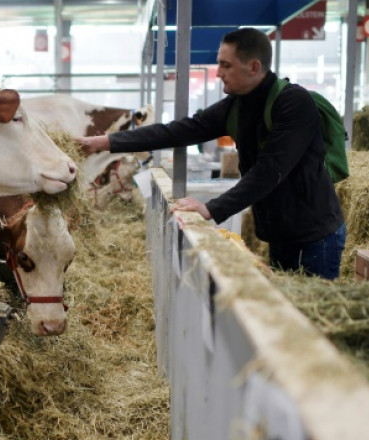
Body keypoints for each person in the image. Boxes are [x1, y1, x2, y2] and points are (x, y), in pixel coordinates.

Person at [78, 28, 346, 280]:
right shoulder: (237, 106)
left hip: (315, 236)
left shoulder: (294, 104)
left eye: (226, 65)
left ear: (253, 67)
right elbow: (178, 131)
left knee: (312, 323)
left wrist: (211, 208)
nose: (218, 73)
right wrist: (104, 142)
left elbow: (270, 169)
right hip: (279, 235)